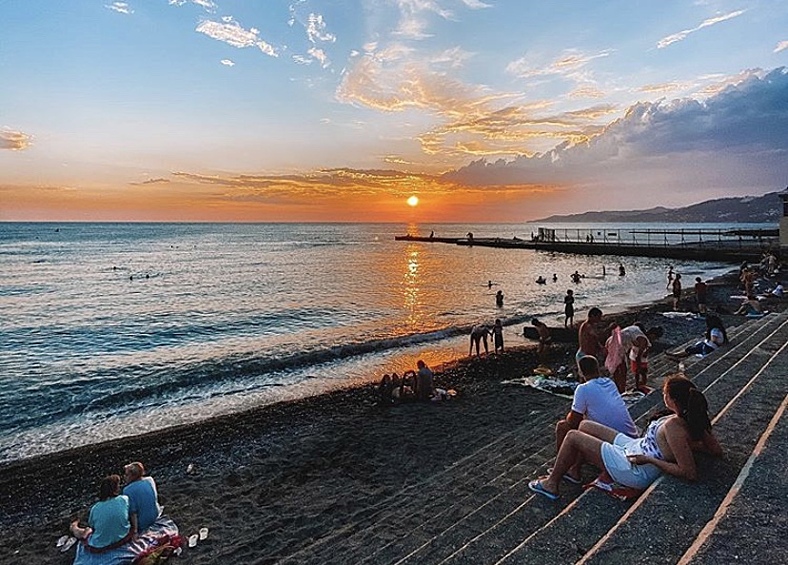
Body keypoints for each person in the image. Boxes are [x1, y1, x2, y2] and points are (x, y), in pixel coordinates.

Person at [529, 375, 723, 500]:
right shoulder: (688, 417)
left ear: (672, 399)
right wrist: (688, 447)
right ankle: (573, 471)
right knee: (585, 425)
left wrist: (650, 460)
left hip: (636, 469)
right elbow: (715, 450)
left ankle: (551, 484)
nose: (663, 395)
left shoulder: (675, 427)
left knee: (572, 436)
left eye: (665, 393)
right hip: (636, 447)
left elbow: (689, 472)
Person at [555, 356, 638, 463]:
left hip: (616, 443)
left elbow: (573, 420)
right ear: (598, 369)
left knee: (562, 426)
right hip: (630, 437)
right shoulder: (609, 383)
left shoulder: (583, 389)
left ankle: (562, 463)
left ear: (581, 372)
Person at [70, 475, 133, 552]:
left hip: (101, 545)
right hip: (124, 538)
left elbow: (92, 526)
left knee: (86, 531)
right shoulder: (124, 499)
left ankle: (74, 527)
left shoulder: (96, 508)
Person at [605, 324, 651, 393]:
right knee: (622, 369)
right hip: (616, 346)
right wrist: (638, 368)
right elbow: (638, 357)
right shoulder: (643, 341)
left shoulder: (635, 328)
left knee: (618, 368)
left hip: (610, 341)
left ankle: (619, 387)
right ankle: (621, 390)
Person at [123, 462, 162, 536]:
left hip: (143, 523)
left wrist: (135, 531)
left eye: (127, 475)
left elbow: (133, 513)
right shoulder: (149, 480)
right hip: (155, 515)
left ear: (132, 475)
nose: (124, 477)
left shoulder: (127, 490)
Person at [630, 326, 664, 392]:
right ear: (652, 335)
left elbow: (649, 346)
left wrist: (646, 352)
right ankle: (637, 386)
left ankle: (642, 384)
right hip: (635, 357)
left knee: (644, 372)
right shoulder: (642, 339)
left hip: (642, 358)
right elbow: (638, 357)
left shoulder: (648, 340)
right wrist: (638, 365)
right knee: (637, 372)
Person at [576, 307, 604, 373]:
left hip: (590, 355)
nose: (600, 319)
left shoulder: (591, 326)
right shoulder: (587, 326)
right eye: (598, 317)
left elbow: (595, 340)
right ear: (592, 316)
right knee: (587, 376)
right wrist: (609, 328)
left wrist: (600, 347)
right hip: (584, 355)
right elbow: (598, 336)